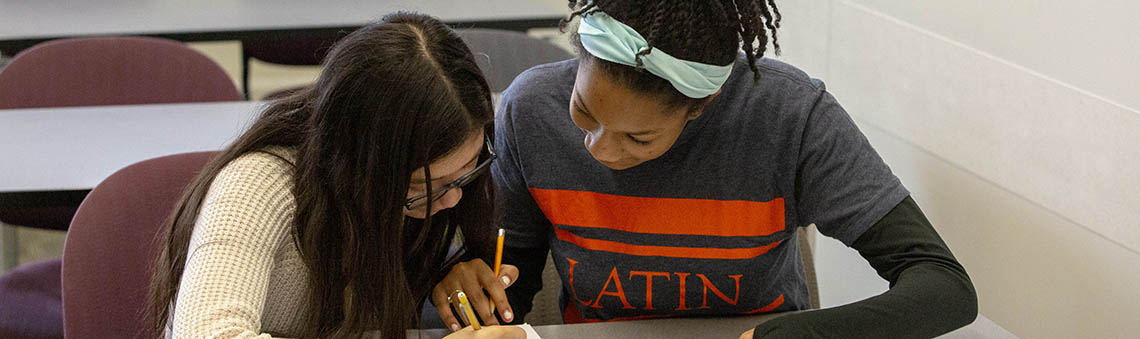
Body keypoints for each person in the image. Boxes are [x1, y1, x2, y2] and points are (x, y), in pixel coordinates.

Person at [434, 1, 979, 338]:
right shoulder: (531, 110)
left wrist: (794, 336)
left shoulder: (789, 117)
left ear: (703, 105)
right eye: (585, 111)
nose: (598, 148)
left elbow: (942, 285)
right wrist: (485, 298)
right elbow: (516, 266)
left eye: (638, 137)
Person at [147, 12, 523, 339]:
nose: (453, 199)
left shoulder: (443, 191)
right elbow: (208, 334)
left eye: (468, 169)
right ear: (360, 163)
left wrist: (452, 273)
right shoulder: (259, 184)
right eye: (422, 188)